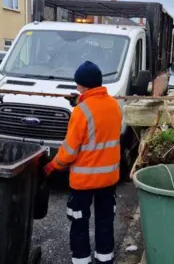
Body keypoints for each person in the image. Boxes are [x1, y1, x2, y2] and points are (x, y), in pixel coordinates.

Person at [44, 61, 121, 264]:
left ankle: (81, 259)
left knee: (79, 222)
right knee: (105, 221)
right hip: (108, 179)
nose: (77, 88)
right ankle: (105, 259)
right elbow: (101, 132)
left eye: (78, 84)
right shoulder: (114, 105)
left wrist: (55, 164)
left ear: (84, 86)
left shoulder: (81, 112)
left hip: (84, 181)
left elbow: (70, 150)